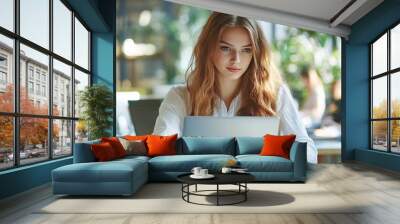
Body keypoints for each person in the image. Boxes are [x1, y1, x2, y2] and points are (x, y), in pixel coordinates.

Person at [153, 12, 318, 164]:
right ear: (208, 48)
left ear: (256, 53)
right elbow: (159, 153)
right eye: (225, 48)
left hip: (259, 188)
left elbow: (309, 154)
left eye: (246, 50)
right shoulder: (181, 96)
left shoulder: (276, 95)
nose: (236, 60)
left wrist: (277, 152)